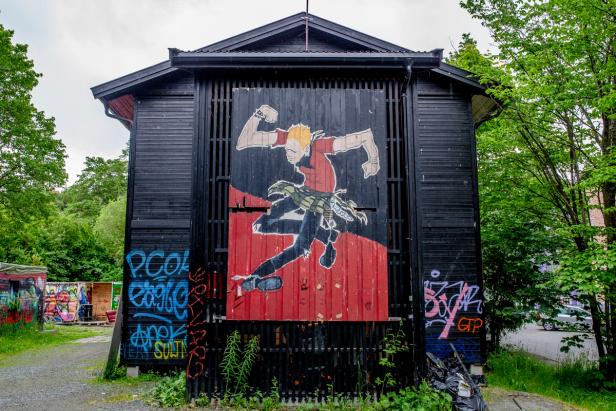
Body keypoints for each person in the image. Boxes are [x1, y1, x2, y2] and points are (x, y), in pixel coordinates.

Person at [233, 104, 380, 292]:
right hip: (302, 192)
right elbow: (243, 141)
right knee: (262, 224)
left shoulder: (320, 146)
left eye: (293, 153)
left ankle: (258, 275)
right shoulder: (288, 139)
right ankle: (324, 234)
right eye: (287, 151)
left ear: (305, 149)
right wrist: (259, 113)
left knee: (300, 247)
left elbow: (365, 136)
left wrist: (373, 160)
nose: (288, 156)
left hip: (319, 202)